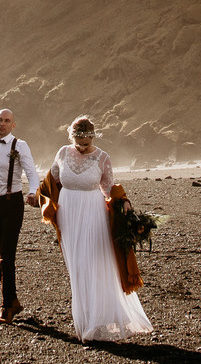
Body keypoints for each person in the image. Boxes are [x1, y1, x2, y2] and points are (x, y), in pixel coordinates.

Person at [40, 116, 153, 342]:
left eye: (86, 143)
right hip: (68, 213)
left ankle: (98, 320)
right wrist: (39, 198)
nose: (82, 147)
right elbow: (51, 180)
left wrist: (124, 201)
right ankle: (85, 320)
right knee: (77, 266)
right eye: (79, 143)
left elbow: (108, 187)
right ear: (71, 138)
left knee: (94, 263)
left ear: (93, 137)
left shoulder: (102, 157)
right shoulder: (63, 153)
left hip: (93, 212)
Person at [0, 109, 39, 323]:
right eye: (0, 120)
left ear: (13, 125)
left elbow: (31, 172)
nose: (2, 124)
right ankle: (12, 299)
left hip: (12, 202)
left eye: (7, 121)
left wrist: (33, 192)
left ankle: (6, 307)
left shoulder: (19, 145)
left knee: (7, 255)